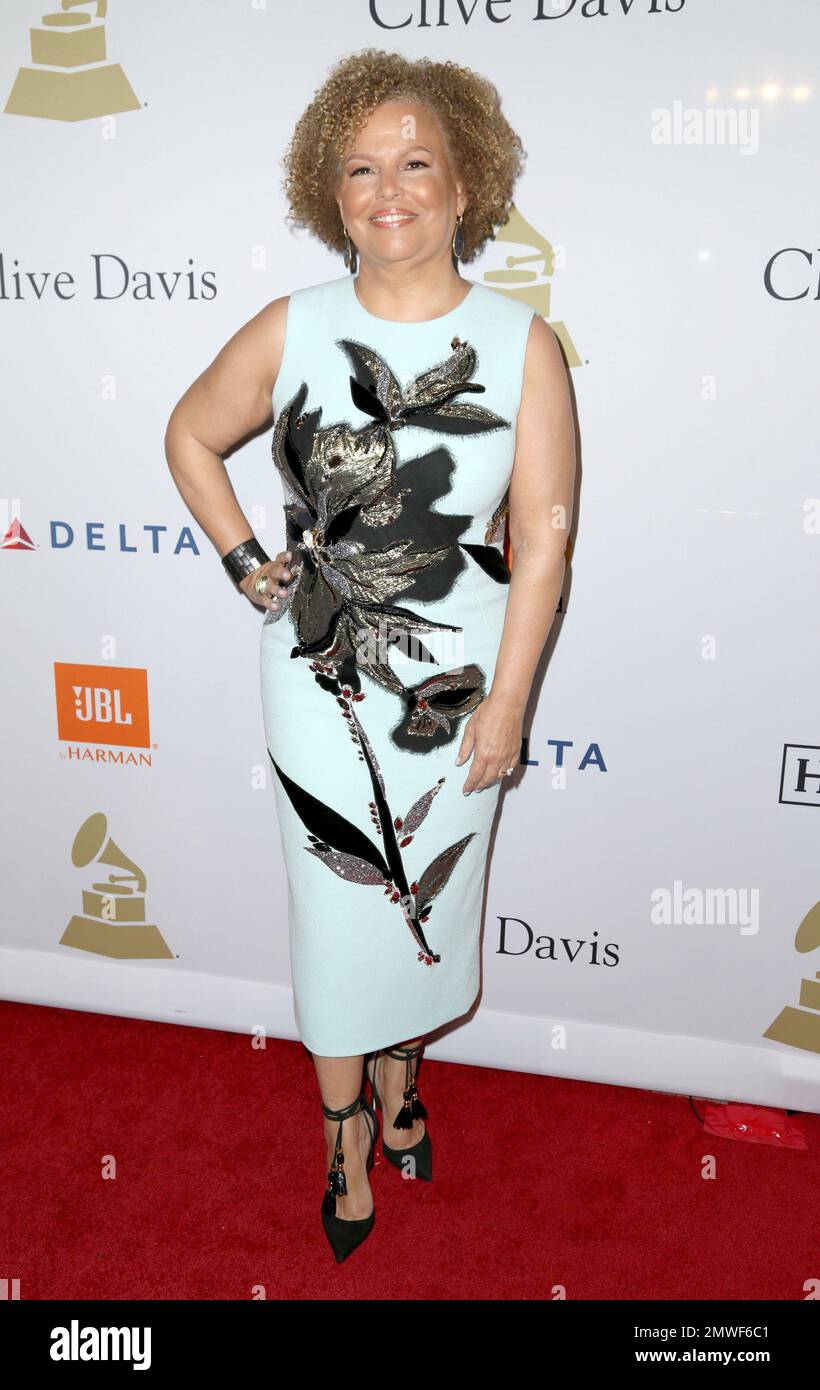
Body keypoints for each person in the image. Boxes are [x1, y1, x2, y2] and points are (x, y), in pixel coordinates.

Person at [164, 48, 575, 1264]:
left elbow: (543, 539)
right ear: (328, 193)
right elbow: (190, 433)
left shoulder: (519, 343)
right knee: (335, 904)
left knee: (427, 892)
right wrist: (250, 562)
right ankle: (344, 1127)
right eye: (360, 168)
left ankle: (403, 1080)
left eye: (415, 163)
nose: (388, 189)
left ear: (464, 187)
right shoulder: (295, 327)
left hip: (460, 688)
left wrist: (508, 702)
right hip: (318, 672)